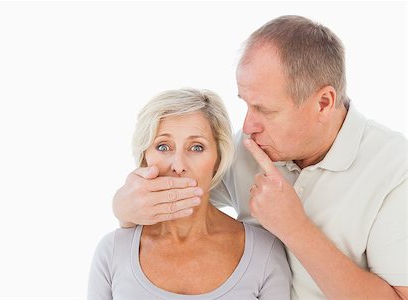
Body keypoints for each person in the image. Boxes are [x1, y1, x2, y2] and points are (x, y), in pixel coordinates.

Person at [112, 15, 408, 299]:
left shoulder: (395, 170)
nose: (248, 126)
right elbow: (175, 188)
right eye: (246, 104)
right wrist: (124, 207)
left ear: (323, 103)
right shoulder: (249, 147)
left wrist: (296, 229)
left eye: (265, 110)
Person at [88, 88, 291, 299]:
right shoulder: (112, 251)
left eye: (196, 148)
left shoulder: (264, 253)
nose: (178, 165)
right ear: (144, 157)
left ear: (219, 159)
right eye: (163, 146)